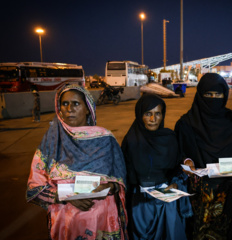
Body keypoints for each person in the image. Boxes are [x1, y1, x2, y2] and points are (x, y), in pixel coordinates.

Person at [26, 85, 128, 240]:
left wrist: (110, 186)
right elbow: (35, 188)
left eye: (76, 103)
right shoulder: (52, 141)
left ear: (88, 109)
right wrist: (69, 197)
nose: (69, 109)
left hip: (102, 222)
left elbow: (120, 178)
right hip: (67, 223)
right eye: (64, 104)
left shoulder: (105, 138)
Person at [175, 73, 232, 240]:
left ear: (224, 95)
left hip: (230, 193)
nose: (213, 98)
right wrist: (187, 162)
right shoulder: (186, 123)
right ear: (200, 95)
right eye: (208, 94)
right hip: (200, 196)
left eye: (218, 94)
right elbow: (178, 153)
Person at [121, 94, 192, 240]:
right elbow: (124, 174)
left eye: (157, 114)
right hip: (140, 206)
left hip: (166, 202)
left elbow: (177, 168)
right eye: (148, 114)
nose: (153, 119)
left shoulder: (170, 138)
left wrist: (176, 182)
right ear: (140, 115)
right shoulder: (131, 141)